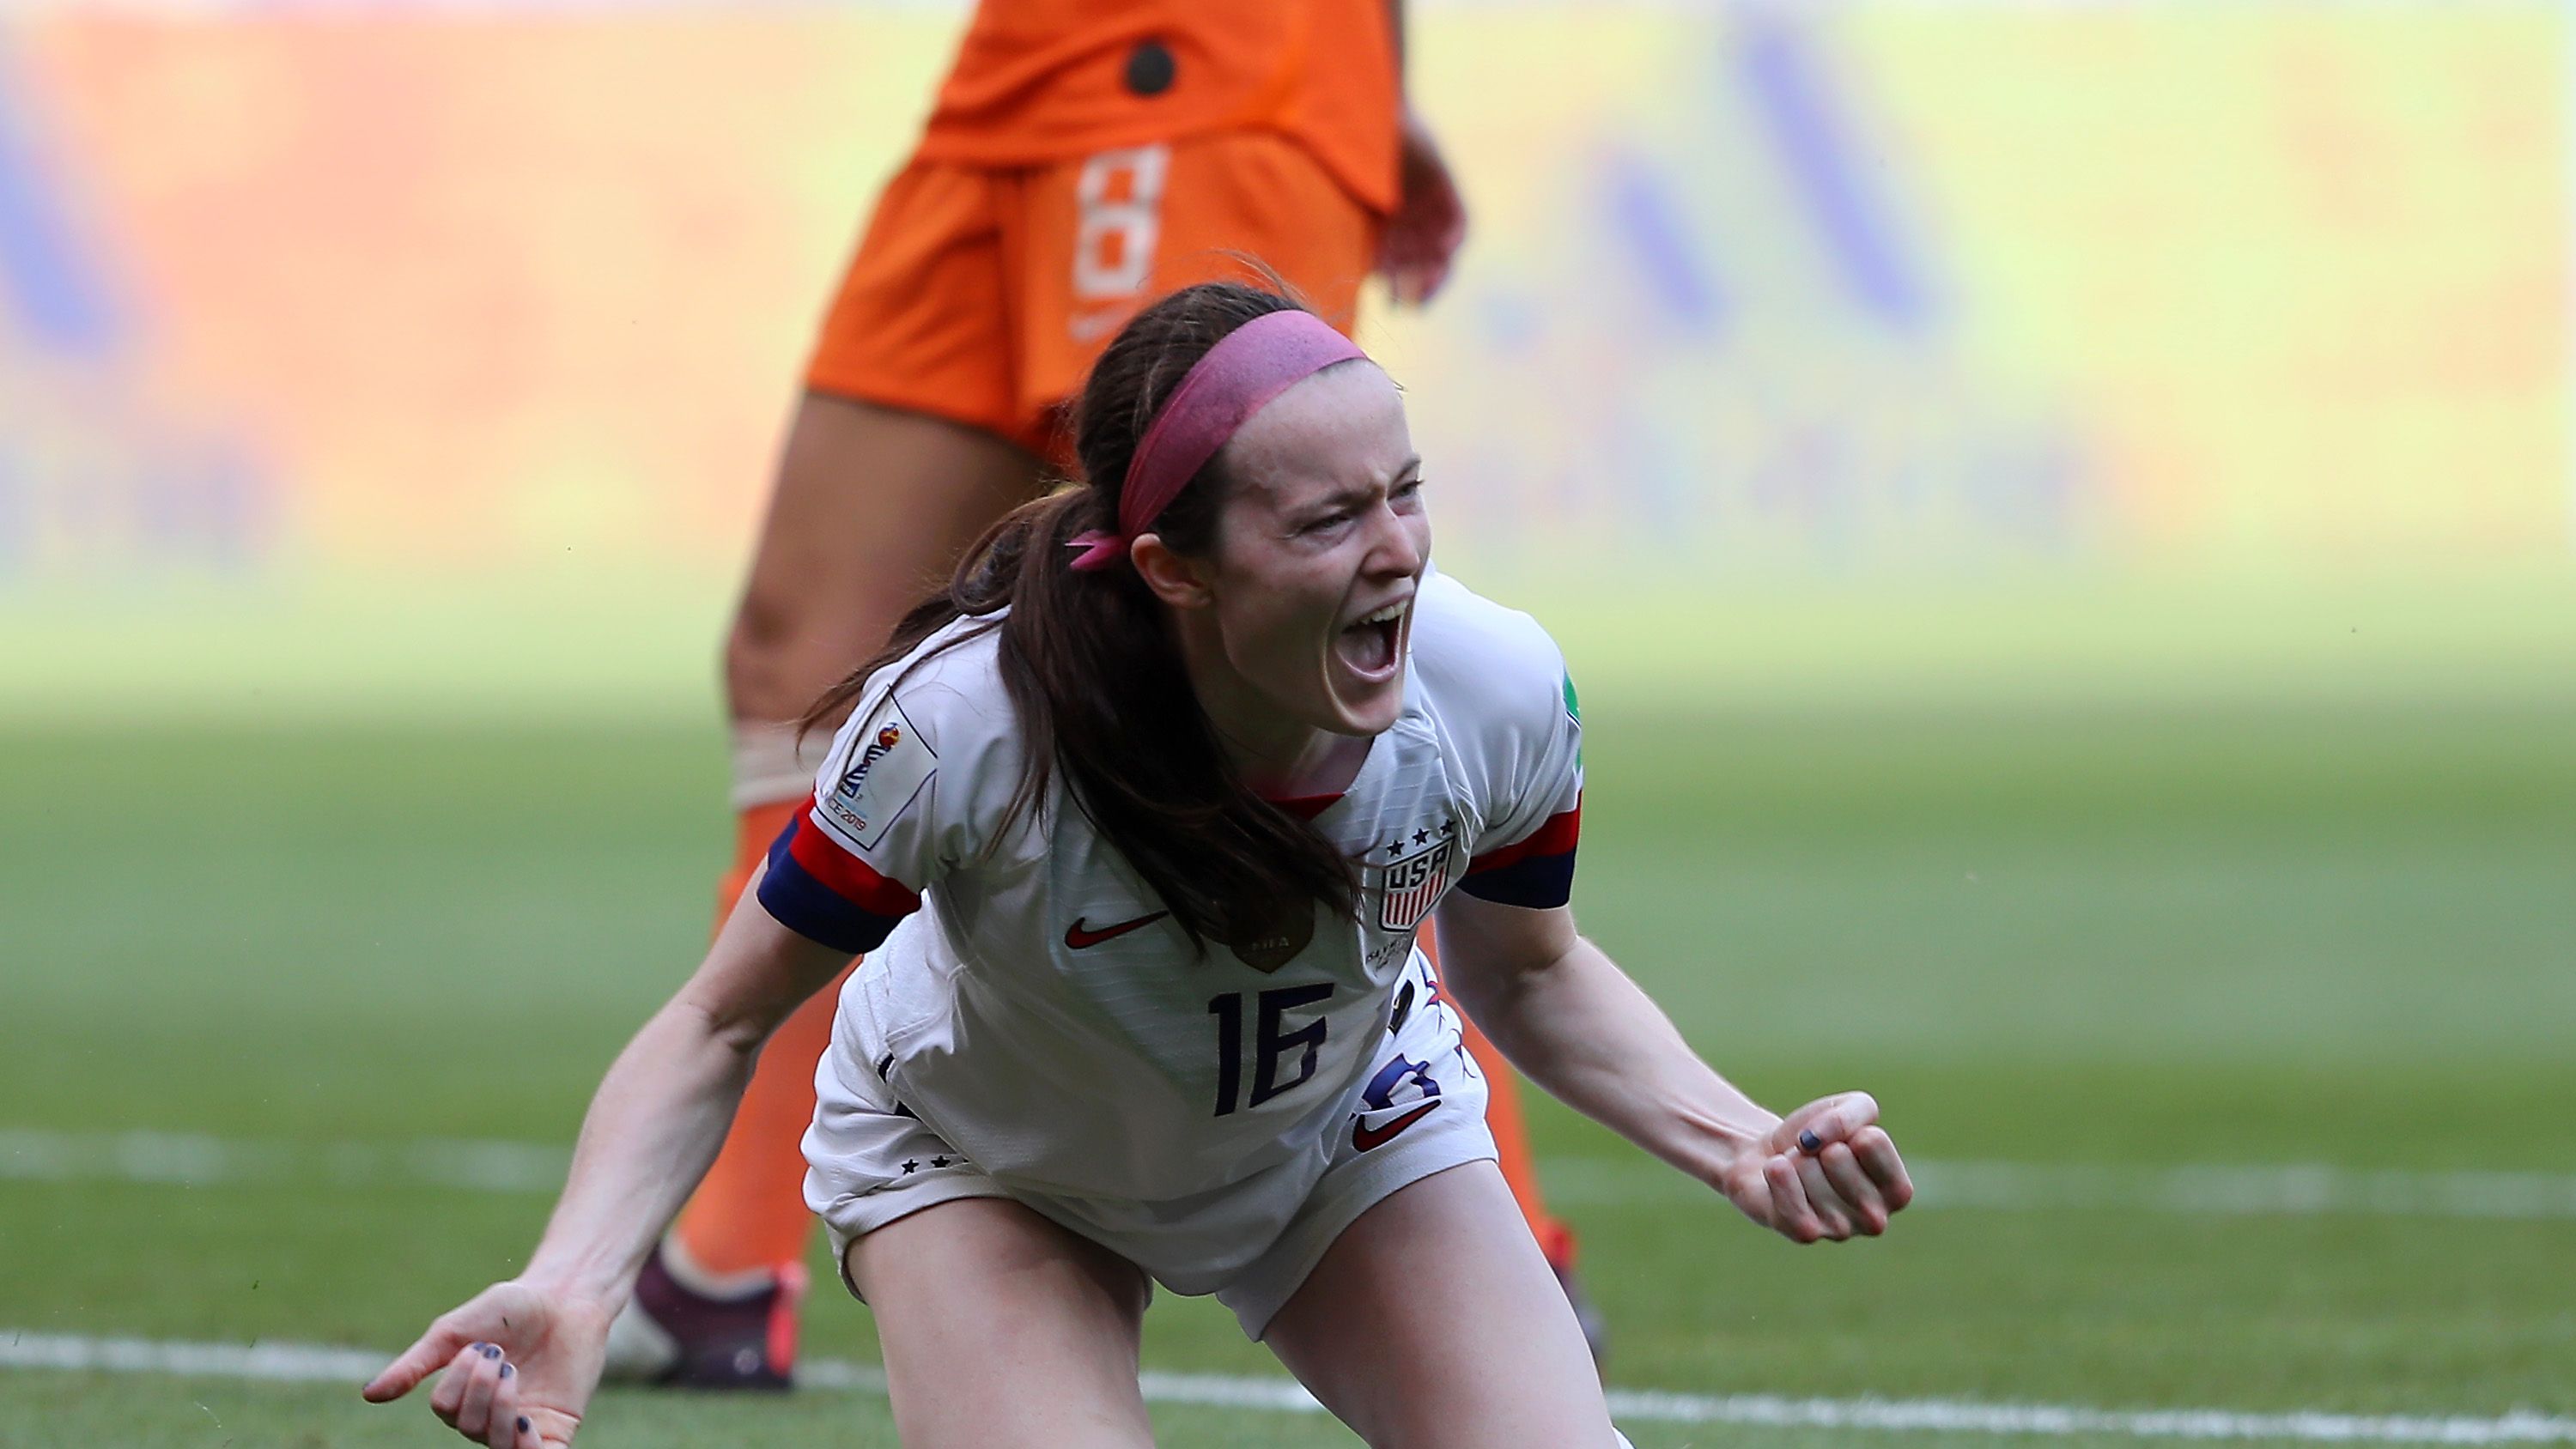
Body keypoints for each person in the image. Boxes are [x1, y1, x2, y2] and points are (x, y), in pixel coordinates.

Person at [362, 282, 1913, 1449]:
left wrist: (1740, 1140)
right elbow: (717, 1021)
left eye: (1407, 491)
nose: (1401, 552)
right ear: (1174, 568)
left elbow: (1535, 974)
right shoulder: (967, 731)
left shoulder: (1495, 689)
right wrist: (575, 1282)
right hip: (990, 1163)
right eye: (1327, 519)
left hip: (1341, 1133)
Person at [639, 0, 1590, 1386]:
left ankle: (1486, 1238)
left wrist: (1354, 69)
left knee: (1182, 623)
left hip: (1202, 51)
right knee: (804, 654)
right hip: (1020, 65)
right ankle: (724, 1264)